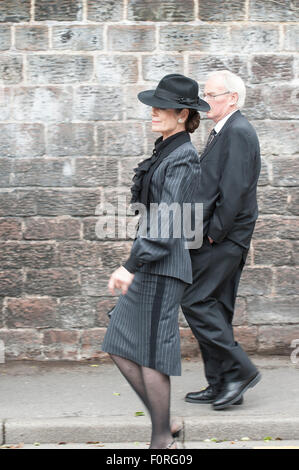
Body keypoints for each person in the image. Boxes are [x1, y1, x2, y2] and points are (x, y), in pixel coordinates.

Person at [101, 74, 210, 448]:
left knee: (150, 353)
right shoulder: (166, 149)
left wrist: (130, 265)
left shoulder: (183, 159)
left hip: (163, 266)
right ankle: (165, 424)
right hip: (152, 263)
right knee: (119, 341)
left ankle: (161, 438)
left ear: (183, 114)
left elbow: (166, 224)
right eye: (154, 104)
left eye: (162, 106)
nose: (154, 111)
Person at [181, 70, 262, 410]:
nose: (206, 99)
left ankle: (241, 371)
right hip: (223, 237)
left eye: (213, 95)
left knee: (195, 301)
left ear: (232, 98)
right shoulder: (223, 130)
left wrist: (213, 233)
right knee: (217, 307)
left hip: (224, 238)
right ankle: (221, 383)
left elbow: (235, 189)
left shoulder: (238, 131)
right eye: (206, 93)